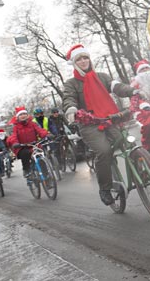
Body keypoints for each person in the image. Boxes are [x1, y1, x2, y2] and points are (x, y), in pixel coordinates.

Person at [61, 44, 139, 206]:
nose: (83, 61)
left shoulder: (102, 77)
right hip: (89, 124)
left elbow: (117, 87)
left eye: (85, 57)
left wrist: (133, 91)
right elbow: (68, 97)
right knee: (104, 151)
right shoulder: (72, 83)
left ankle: (143, 171)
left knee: (127, 142)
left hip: (109, 118)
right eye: (79, 59)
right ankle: (105, 188)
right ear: (75, 63)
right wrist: (71, 108)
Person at [5, 107, 50, 177]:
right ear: (17, 117)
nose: (23, 116)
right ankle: (26, 169)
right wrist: (15, 143)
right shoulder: (15, 127)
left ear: (27, 115)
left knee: (40, 156)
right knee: (25, 154)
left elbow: (40, 130)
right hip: (22, 146)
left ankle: (47, 176)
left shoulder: (32, 124)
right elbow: (14, 136)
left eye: (24, 114)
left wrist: (46, 135)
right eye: (21, 115)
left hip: (34, 145)